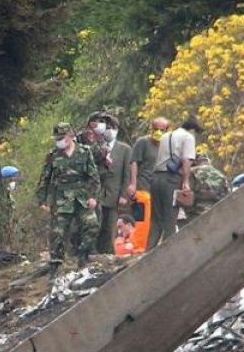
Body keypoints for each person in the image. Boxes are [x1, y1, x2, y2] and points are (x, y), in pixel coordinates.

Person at [36, 122, 100, 281]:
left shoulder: (84, 152)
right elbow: (45, 178)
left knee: (92, 225)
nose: (59, 141)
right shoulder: (53, 155)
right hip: (61, 199)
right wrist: (42, 200)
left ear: (70, 136)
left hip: (81, 197)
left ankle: (83, 254)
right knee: (57, 232)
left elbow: (94, 177)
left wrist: (93, 196)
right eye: (57, 138)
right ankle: (55, 264)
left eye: (62, 137)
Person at [147, 118, 198, 249]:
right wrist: (186, 182)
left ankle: (148, 253)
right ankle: (166, 254)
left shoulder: (165, 136)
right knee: (170, 220)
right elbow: (186, 160)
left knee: (156, 220)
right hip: (171, 180)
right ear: (192, 130)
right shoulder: (188, 137)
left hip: (156, 179)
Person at [94, 117, 133, 254]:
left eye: (113, 127)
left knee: (110, 225)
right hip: (97, 193)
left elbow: (126, 174)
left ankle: (109, 253)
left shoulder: (125, 149)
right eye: (107, 127)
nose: (109, 130)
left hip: (114, 194)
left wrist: (123, 195)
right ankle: (94, 252)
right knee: (96, 225)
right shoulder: (96, 147)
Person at [129, 117, 168, 253]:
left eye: (162, 130)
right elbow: (134, 162)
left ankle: (149, 249)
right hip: (142, 186)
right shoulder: (143, 142)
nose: (158, 132)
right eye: (156, 129)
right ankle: (137, 249)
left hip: (157, 188)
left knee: (155, 221)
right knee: (141, 220)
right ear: (151, 128)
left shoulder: (166, 145)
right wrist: (133, 184)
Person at [185, 153, 229, 221]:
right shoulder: (220, 174)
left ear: (195, 162)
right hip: (219, 212)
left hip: (198, 213)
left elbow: (187, 194)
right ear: (208, 161)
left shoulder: (192, 172)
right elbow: (227, 194)